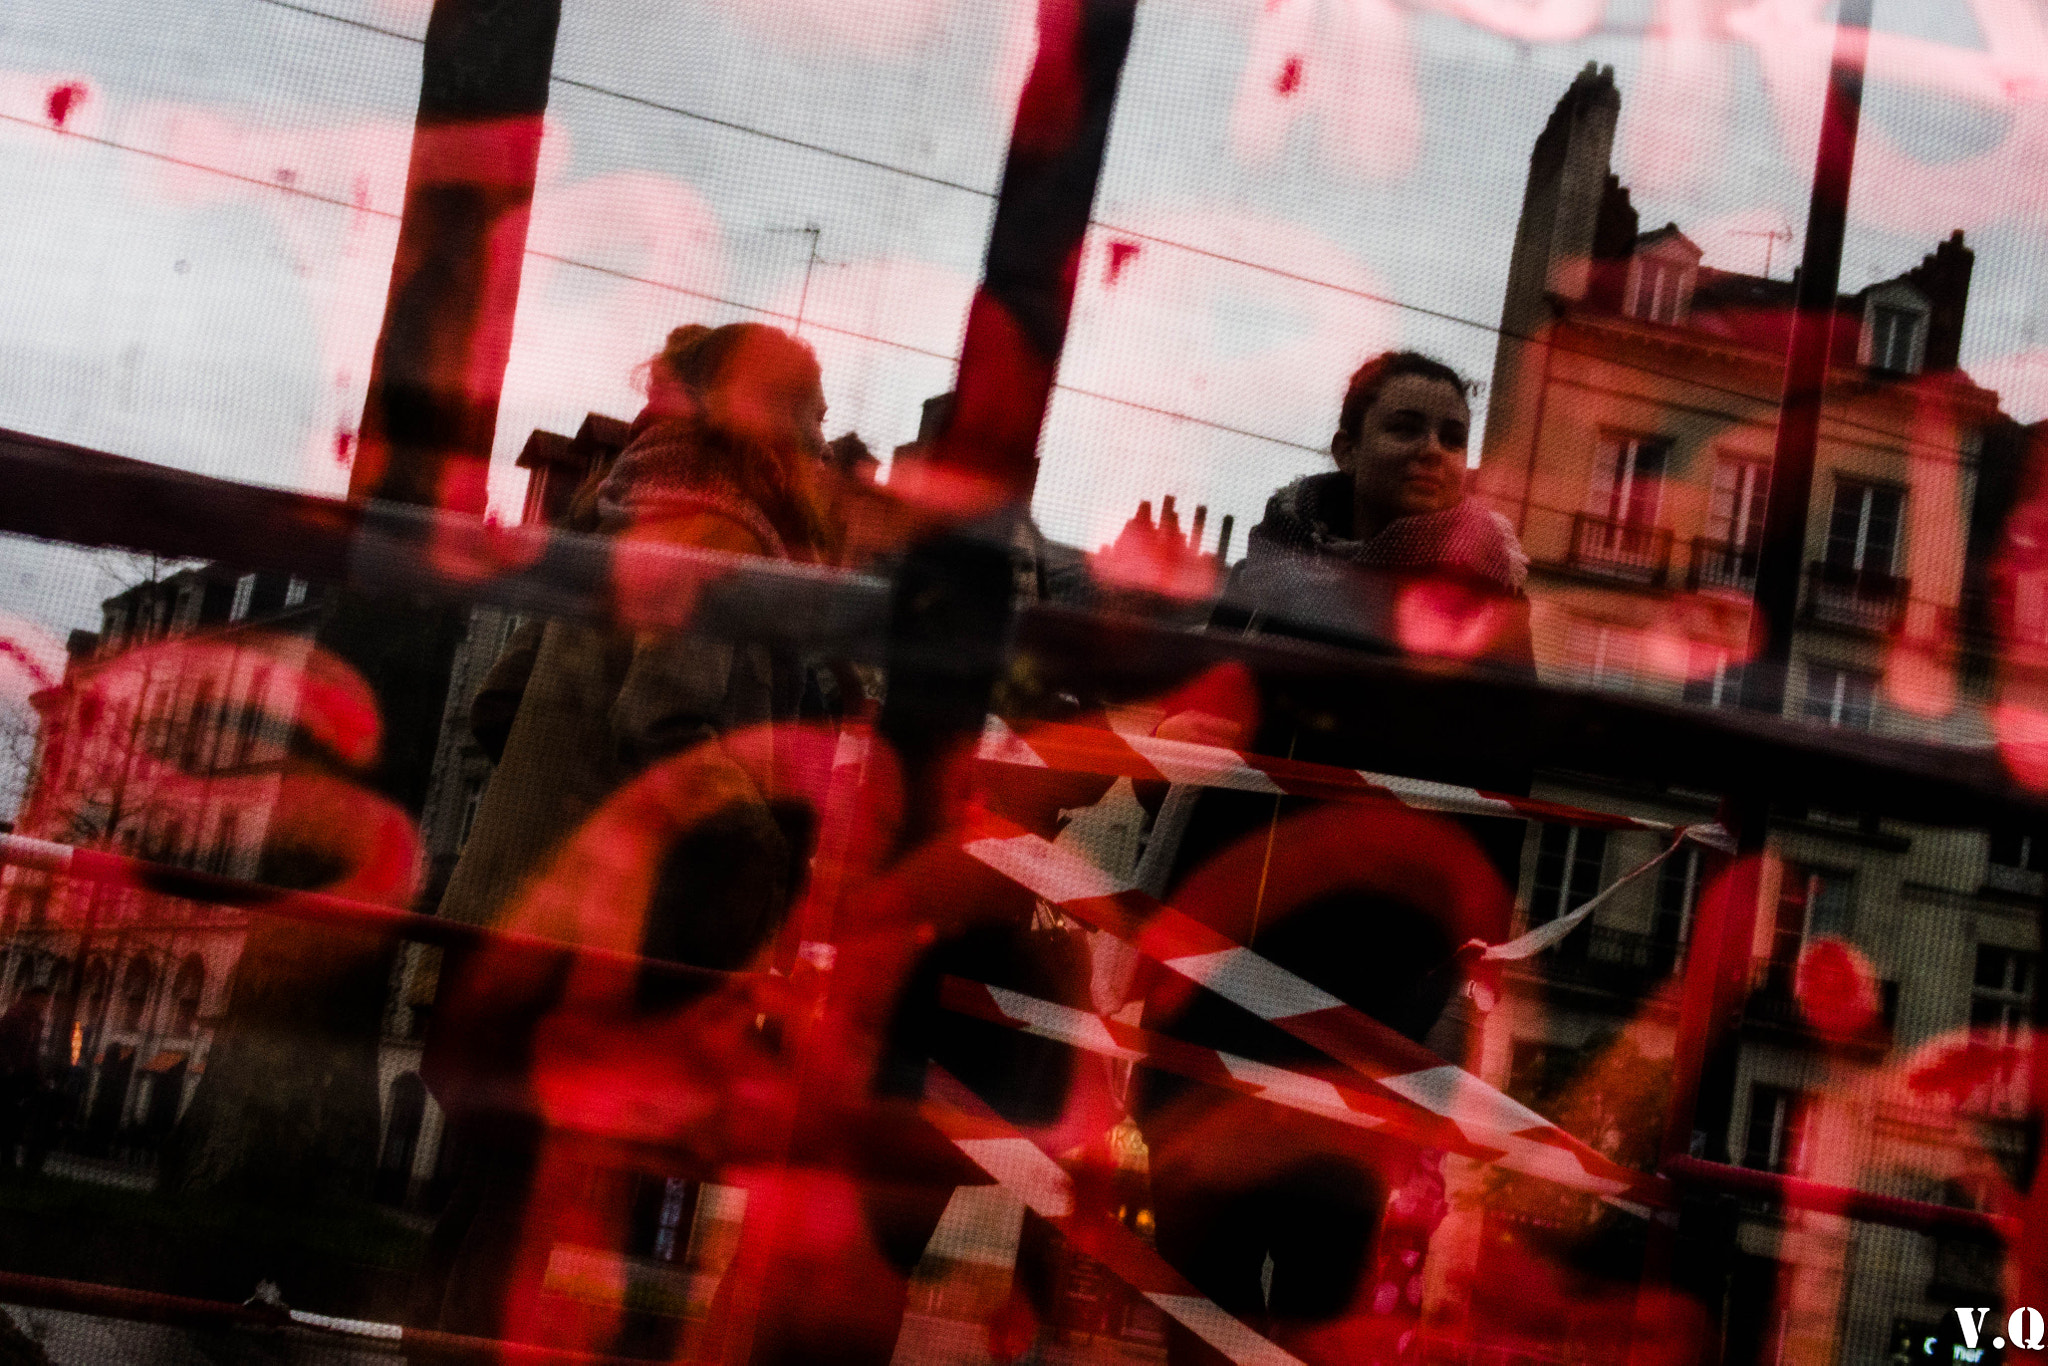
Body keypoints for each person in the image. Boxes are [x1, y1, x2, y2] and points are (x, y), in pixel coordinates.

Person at [421, 322, 840, 1347]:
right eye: (815, 418)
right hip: (592, 960)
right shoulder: (722, 540)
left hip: (495, 936)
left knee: (473, 1227)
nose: (824, 447)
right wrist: (771, 850)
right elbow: (664, 723)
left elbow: (494, 702)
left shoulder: (615, 525)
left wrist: (543, 806)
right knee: (539, 1255)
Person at [1134, 352, 1536, 1366]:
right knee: (1198, 1303)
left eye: (1452, 433)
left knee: (1325, 1310)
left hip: (1369, 1012)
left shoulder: (1485, 602)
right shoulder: (1264, 574)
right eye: (1406, 427)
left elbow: (1501, 805)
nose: (1434, 450)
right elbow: (1179, 755)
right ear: (1345, 443)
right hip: (1217, 979)